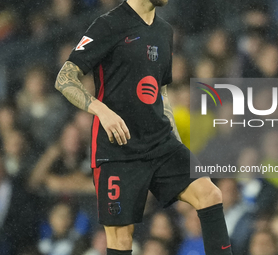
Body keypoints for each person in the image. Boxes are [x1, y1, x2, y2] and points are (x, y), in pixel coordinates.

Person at [54, 0, 233, 255]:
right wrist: (101, 110)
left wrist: (177, 141)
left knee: (210, 194)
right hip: (118, 149)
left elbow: (161, 92)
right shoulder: (108, 24)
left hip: (160, 142)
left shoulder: (164, 31)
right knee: (121, 238)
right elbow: (64, 78)